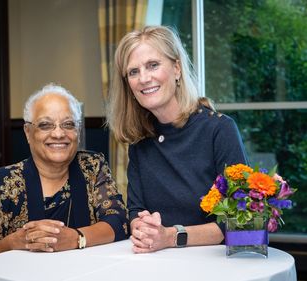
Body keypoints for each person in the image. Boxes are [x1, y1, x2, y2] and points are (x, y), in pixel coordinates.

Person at [106, 26, 248, 253]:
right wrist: (142, 227)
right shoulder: (139, 142)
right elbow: (135, 210)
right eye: (133, 72)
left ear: (177, 68)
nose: (144, 78)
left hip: (215, 265)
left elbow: (240, 221)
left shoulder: (220, 129)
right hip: (156, 263)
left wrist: (171, 236)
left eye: (153, 65)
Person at [0, 83, 129, 275]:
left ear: (78, 130)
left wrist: (77, 238)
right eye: (45, 125)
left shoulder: (92, 166)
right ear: (28, 132)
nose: (59, 133)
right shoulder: (0, 183)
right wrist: (12, 242)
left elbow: (120, 222)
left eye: (68, 124)